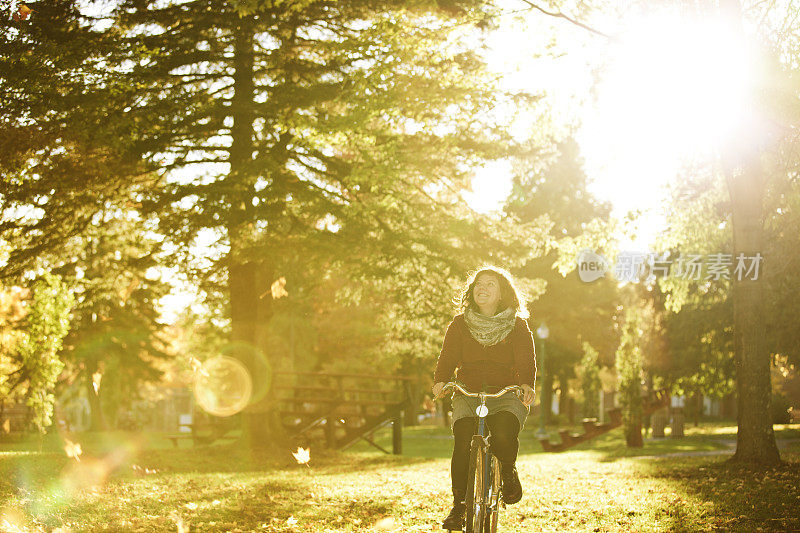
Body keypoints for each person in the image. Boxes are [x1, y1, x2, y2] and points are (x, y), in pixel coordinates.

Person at [431, 266, 536, 530]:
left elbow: (526, 358)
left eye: (490, 284)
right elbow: (447, 356)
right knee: (463, 440)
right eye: (479, 283)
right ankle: (459, 506)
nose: (483, 287)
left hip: (506, 393)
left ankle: (508, 471)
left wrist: (526, 384)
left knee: (502, 433)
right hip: (469, 391)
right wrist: (440, 381)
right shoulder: (459, 324)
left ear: (502, 294)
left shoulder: (517, 325)